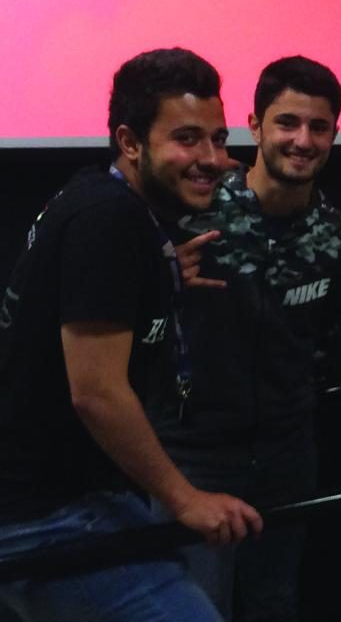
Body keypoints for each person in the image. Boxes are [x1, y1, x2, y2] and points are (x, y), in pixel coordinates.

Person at [0, 48, 261, 621]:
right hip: (49, 512)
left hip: (67, 497)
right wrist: (185, 499)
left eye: (218, 139)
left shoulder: (96, 199)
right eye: (187, 139)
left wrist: (157, 277)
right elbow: (95, 392)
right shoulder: (109, 220)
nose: (213, 158)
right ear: (130, 141)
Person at [156, 55, 341, 621]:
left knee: (275, 602)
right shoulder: (186, 217)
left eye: (318, 127)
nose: (302, 140)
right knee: (195, 608)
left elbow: (330, 348)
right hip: (193, 460)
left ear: (334, 135)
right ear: (254, 125)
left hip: (287, 458)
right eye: (287, 123)